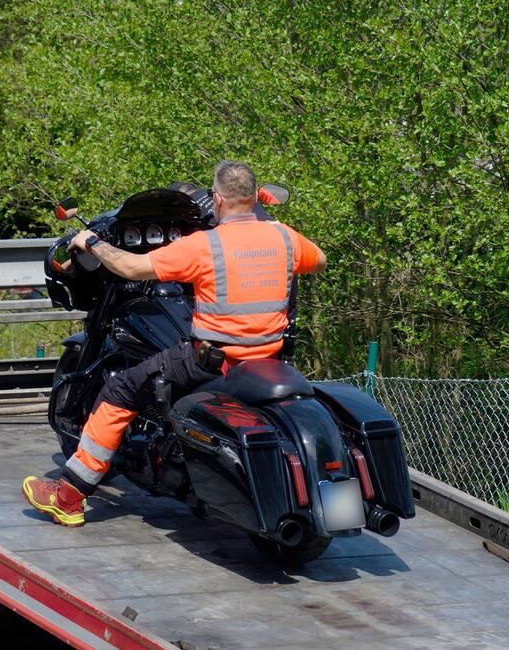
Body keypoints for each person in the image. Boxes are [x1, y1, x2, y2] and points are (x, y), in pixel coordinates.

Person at [22, 161, 327, 527]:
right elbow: (319, 261)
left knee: (122, 388)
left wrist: (92, 243)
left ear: (218, 199)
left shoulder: (204, 246)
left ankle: (68, 496)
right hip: (268, 359)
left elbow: (132, 268)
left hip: (212, 362)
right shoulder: (284, 237)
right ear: (252, 197)